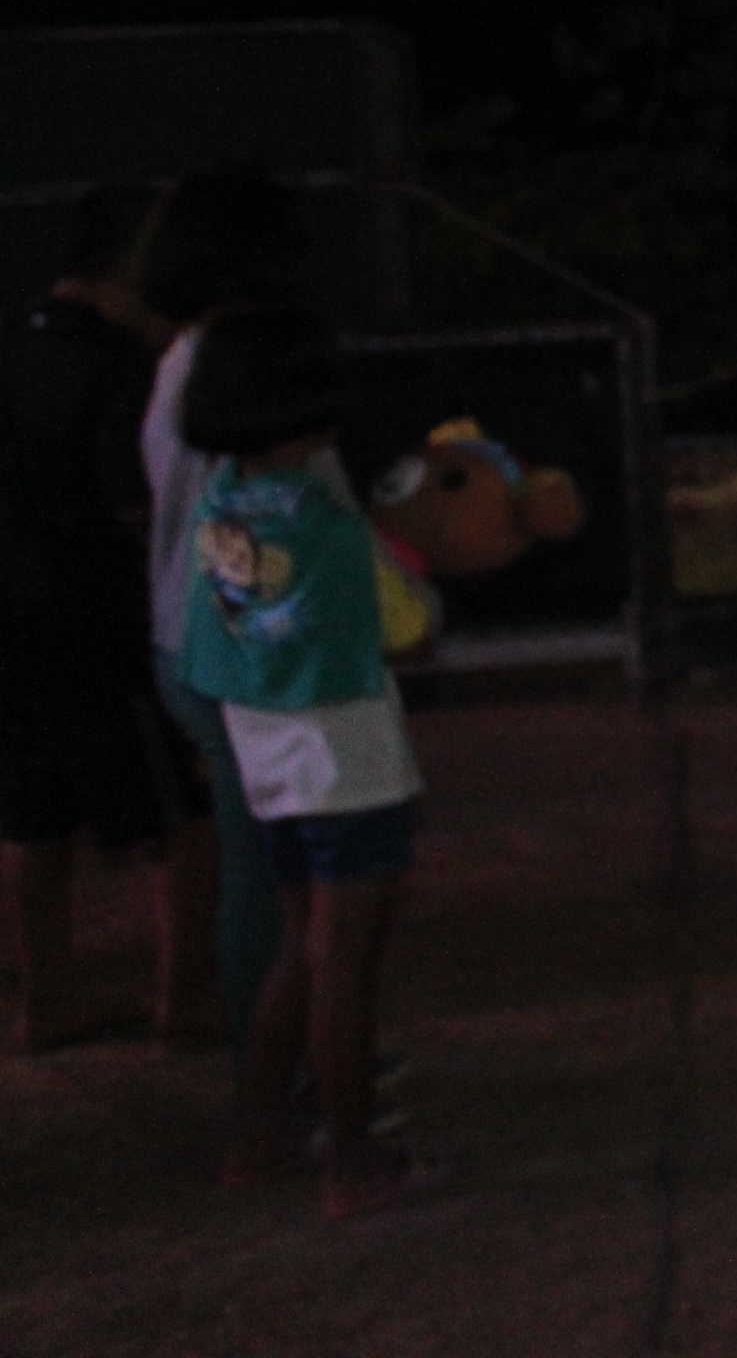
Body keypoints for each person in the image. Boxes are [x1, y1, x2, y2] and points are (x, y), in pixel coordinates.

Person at [172, 305, 428, 1218]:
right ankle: (351, 1158)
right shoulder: (327, 525)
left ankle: (256, 1134)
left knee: (298, 949)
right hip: (349, 761)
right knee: (344, 962)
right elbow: (405, 623)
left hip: (267, 761)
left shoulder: (218, 506)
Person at [1, 183, 210, 1050]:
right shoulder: (124, 366)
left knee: (31, 818)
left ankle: (45, 1003)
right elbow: (133, 500)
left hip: (15, 619)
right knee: (181, 818)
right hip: (101, 621)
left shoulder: (15, 347)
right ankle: (186, 1003)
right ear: (125, 267)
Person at [136, 163, 318, 1047]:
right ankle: (278, 1066)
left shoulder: (181, 358)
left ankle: (281, 1058)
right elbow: (247, 534)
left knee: (262, 869)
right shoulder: (240, 366)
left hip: (192, 640)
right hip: (237, 649)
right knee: (280, 880)